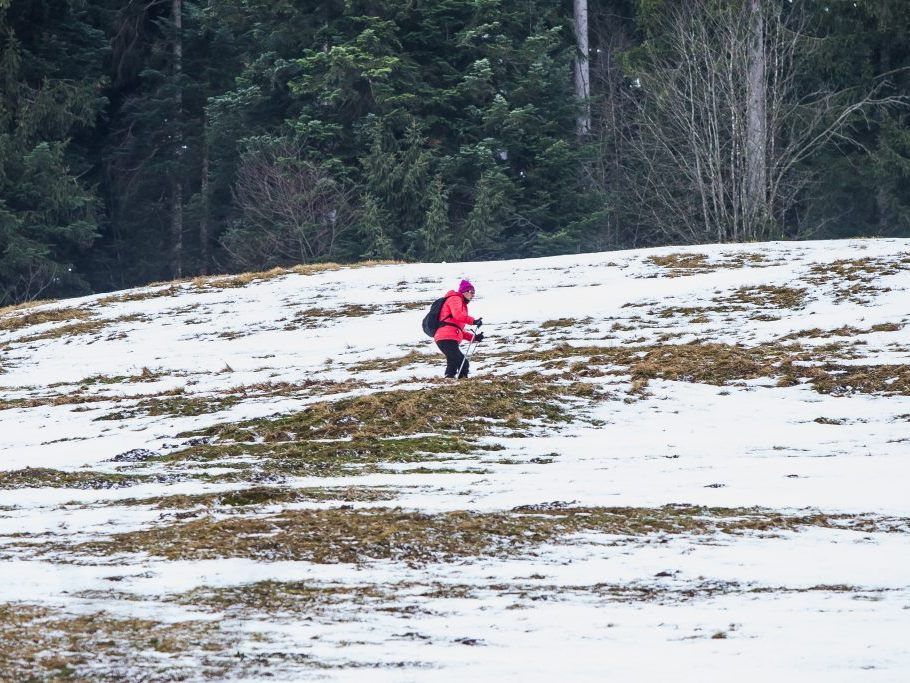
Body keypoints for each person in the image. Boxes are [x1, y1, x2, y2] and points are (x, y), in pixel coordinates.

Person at [434, 279, 484, 379]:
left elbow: (458, 330)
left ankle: (449, 380)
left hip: (446, 337)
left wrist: (474, 338)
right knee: (463, 363)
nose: (473, 295)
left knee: (453, 362)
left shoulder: (461, 303)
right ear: (464, 292)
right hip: (446, 337)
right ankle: (462, 381)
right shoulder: (455, 298)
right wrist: (473, 321)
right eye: (472, 292)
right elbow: (458, 315)